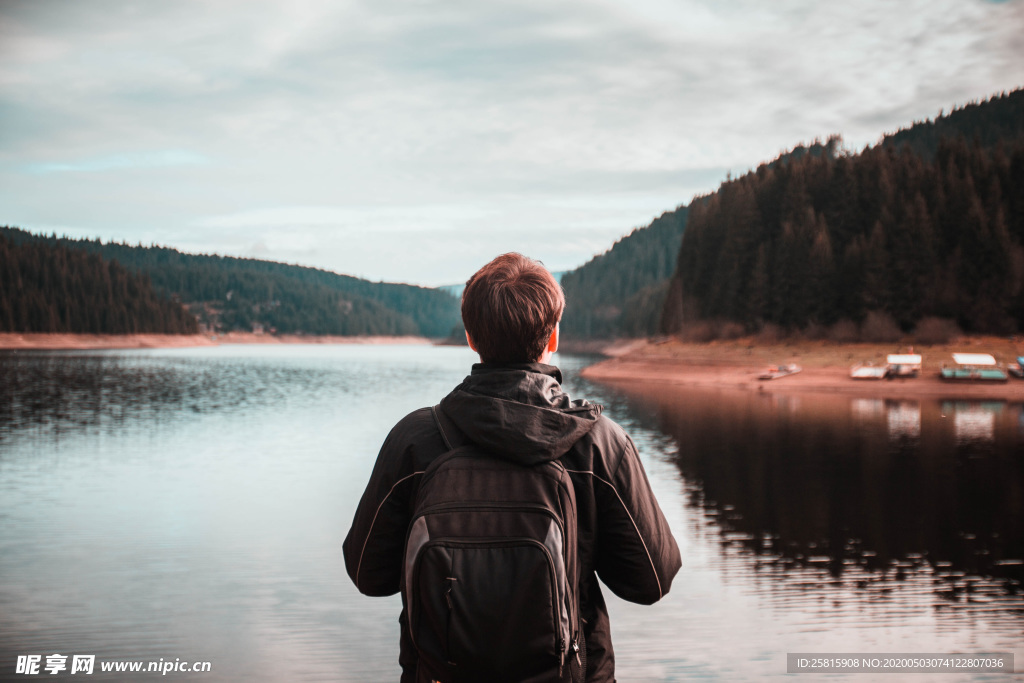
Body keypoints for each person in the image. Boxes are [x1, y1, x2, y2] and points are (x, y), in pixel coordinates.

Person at [343, 252, 681, 682]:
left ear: (470, 337)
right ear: (553, 336)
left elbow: (367, 575)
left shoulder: (415, 440)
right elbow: (651, 580)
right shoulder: (599, 444)